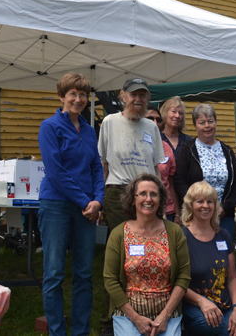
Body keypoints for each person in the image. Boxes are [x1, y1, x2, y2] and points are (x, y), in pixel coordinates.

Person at [37, 73, 105, 336]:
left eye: (83, 94)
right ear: (62, 96)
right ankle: (57, 331)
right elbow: (55, 171)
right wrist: (86, 201)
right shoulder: (50, 127)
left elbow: (96, 168)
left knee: (84, 274)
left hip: (87, 209)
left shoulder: (89, 130)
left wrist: (98, 200)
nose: (78, 99)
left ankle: (80, 331)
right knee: (54, 273)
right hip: (56, 204)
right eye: (73, 94)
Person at [98, 77, 165, 336]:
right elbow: (102, 164)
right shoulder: (110, 122)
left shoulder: (151, 126)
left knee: (148, 254)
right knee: (119, 257)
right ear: (123, 96)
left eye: (143, 95)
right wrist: (100, 198)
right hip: (117, 193)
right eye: (134, 95)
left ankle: (148, 311)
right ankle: (110, 321)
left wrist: (161, 198)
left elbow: (158, 167)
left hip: (147, 196)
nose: (138, 99)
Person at [103, 173, 191, 336]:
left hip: (168, 314)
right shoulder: (119, 234)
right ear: (133, 199)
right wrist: (136, 318)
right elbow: (110, 280)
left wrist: (165, 315)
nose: (148, 199)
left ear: (161, 200)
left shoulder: (174, 232)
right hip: (128, 316)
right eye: (143, 194)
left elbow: (184, 276)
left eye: (154, 194)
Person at [180, 181, 236, 336]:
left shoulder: (224, 235)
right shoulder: (181, 236)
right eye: (200, 201)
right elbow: (177, 281)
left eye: (210, 202)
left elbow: (232, 277)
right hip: (193, 303)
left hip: (224, 305)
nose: (206, 206)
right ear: (190, 205)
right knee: (210, 325)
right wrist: (201, 302)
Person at [175, 104, 236, 237]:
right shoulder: (188, 150)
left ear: (216, 123)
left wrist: (225, 208)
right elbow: (179, 180)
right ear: (195, 125)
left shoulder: (227, 150)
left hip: (224, 215)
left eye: (211, 121)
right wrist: (194, 205)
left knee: (223, 252)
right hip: (195, 215)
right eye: (202, 122)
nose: (207, 126)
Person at [148, 105, 180, 222]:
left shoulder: (165, 147)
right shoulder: (134, 144)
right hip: (144, 205)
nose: (155, 123)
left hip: (167, 208)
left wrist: (177, 213)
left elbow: (171, 182)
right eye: (150, 119)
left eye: (158, 120)